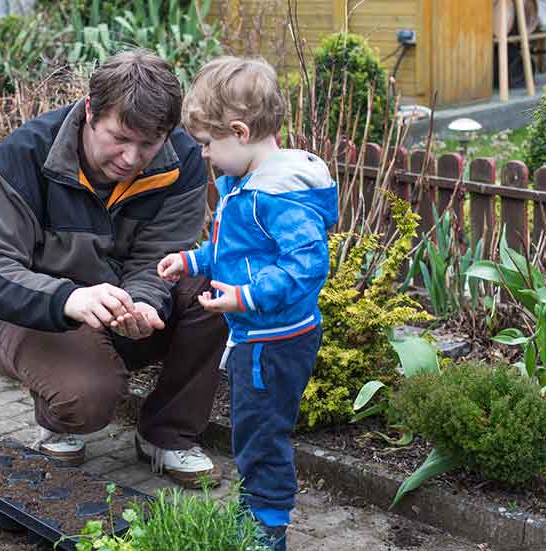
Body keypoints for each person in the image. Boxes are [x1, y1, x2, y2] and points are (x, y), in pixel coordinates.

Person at [0, 49, 227, 487]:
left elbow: (158, 256)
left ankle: (167, 433)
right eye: (119, 137)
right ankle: (60, 418)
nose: (131, 157)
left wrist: (143, 304)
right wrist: (69, 299)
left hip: (124, 302)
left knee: (216, 287)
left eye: (149, 142)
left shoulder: (180, 160)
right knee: (86, 400)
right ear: (89, 111)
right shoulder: (26, 155)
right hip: (43, 312)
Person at [157, 57, 338, 551]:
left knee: (262, 436)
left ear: (239, 131)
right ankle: (255, 508)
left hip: (273, 340)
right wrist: (192, 261)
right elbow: (237, 251)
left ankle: (266, 529)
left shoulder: (277, 196)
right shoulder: (246, 187)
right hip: (254, 335)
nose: (207, 158)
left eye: (209, 146)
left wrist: (244, 296)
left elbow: (307, 268)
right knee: (251, 431)